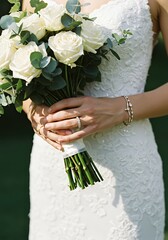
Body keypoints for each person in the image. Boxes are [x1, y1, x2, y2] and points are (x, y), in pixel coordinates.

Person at [22, 0, 168, 239]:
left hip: (126, 165)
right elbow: (19, 70)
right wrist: (34, 113)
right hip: (54, 162)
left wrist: (120, 108)